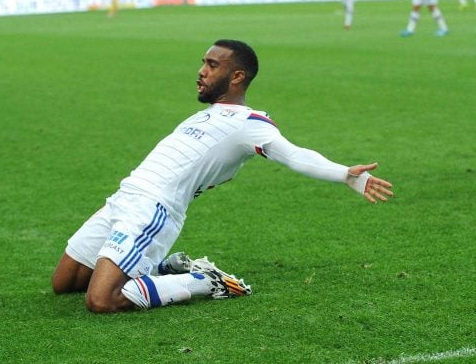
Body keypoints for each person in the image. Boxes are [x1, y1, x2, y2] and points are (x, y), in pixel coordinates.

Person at [51, 39, 394, 313]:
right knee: (64, 283)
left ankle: (203, 280)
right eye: (203, 62)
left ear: (237, 77)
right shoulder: (203, 115)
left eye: (212, 65)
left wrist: (345, 174)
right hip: (122, 200)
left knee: (101, 300)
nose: (201, 71)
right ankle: (160, 268)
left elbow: (292, 154)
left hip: (152, 211)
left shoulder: (250, 123)